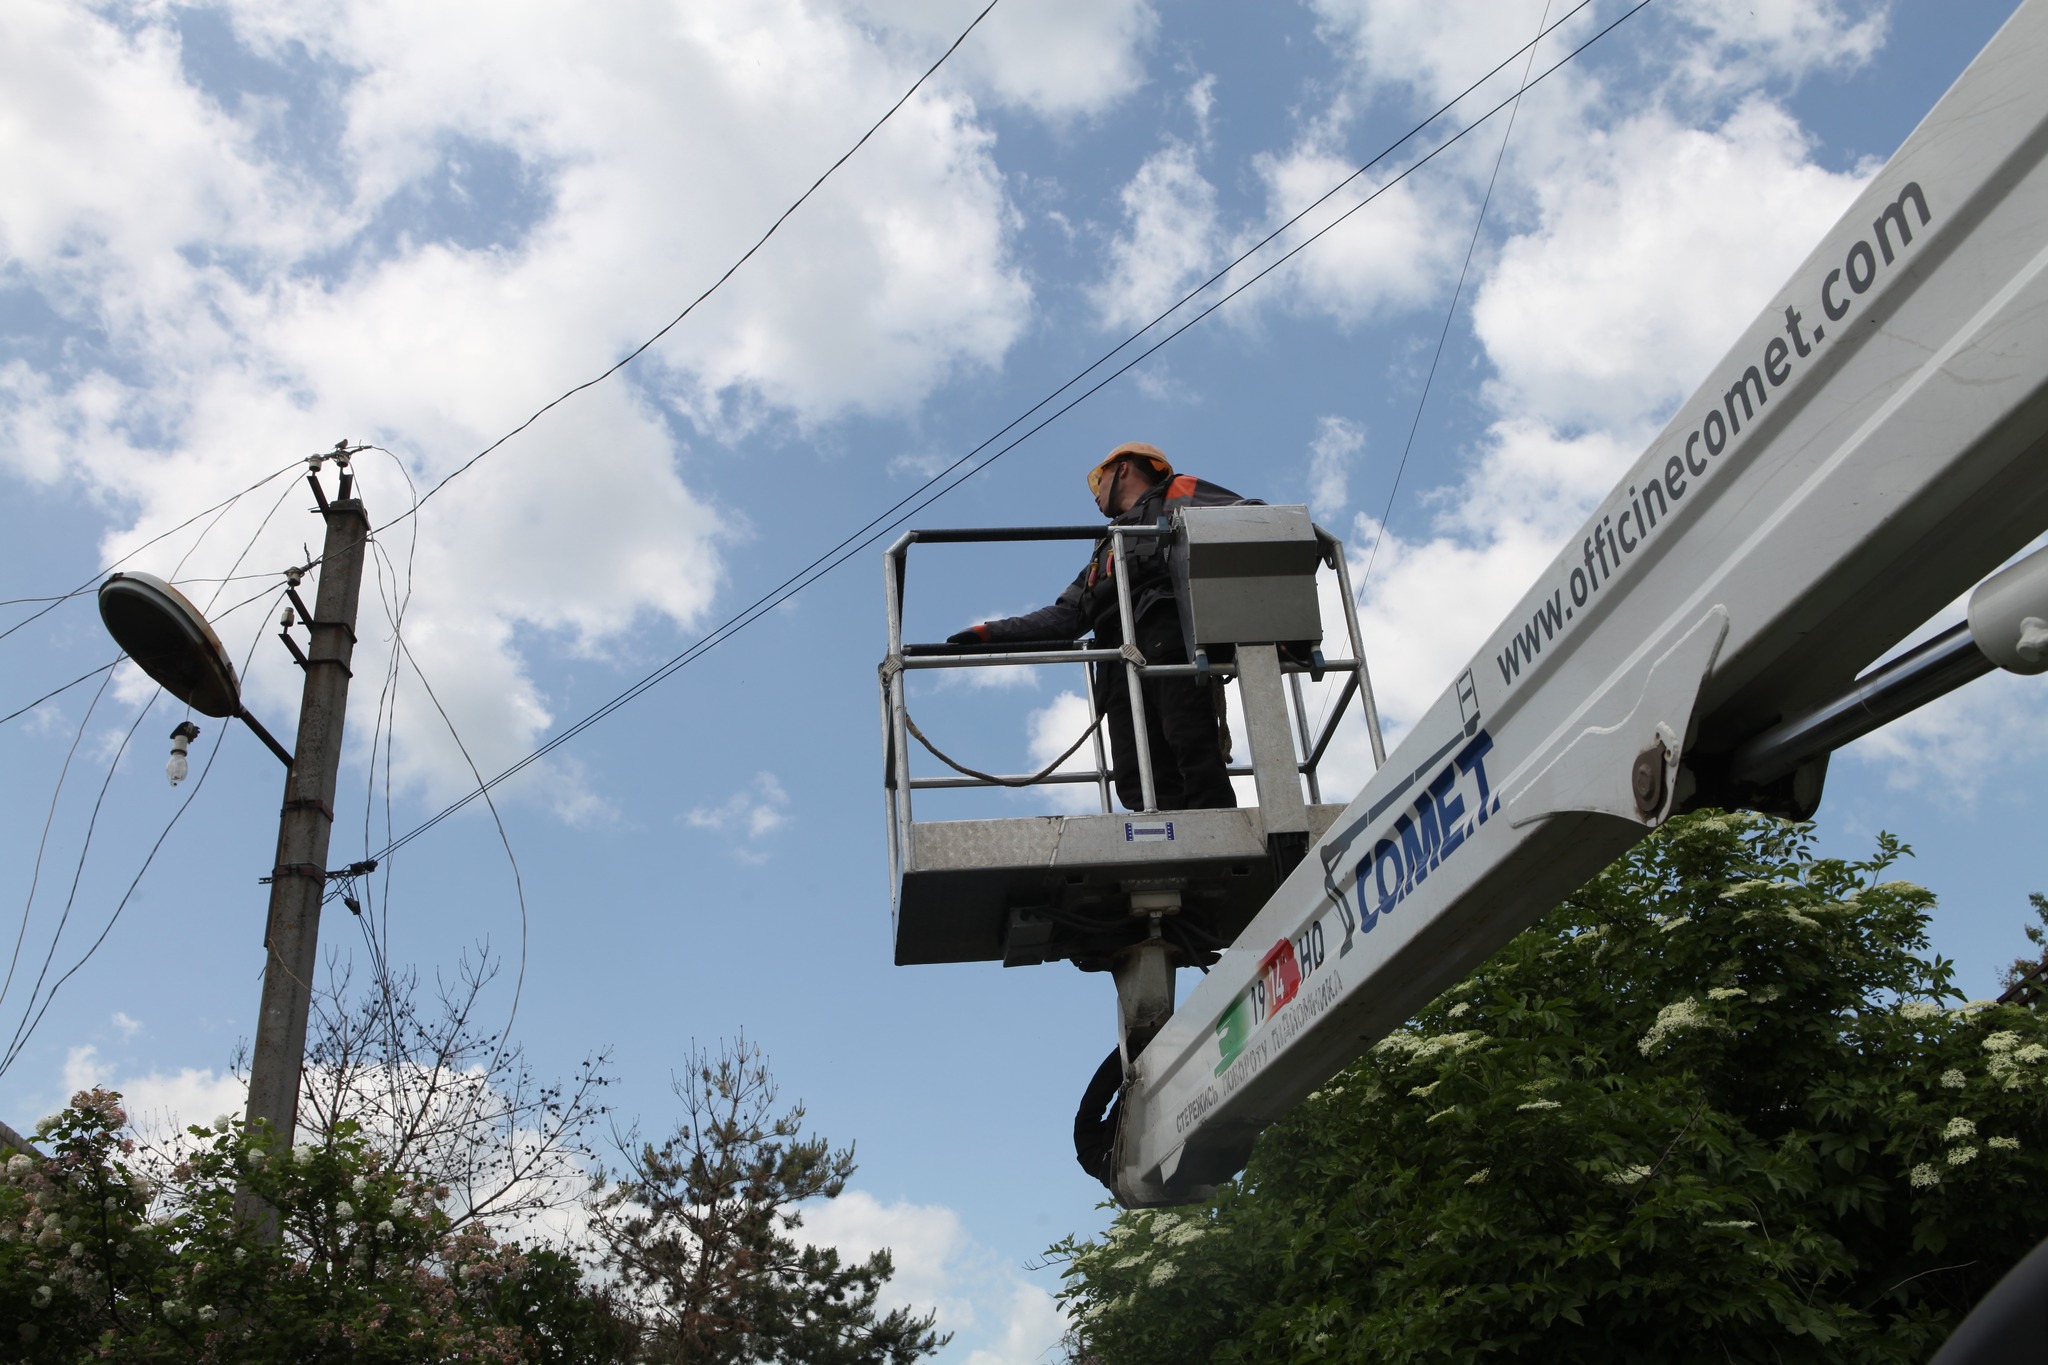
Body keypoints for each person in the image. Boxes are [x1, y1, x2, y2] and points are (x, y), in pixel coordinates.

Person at [948, 442, 1250, 811]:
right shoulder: (1106, 545)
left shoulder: (1177, 492)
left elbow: (1250, 518)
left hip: (1171, 648)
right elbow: (1068, 615)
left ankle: (1218, 844)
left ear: (1122, 468)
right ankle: (1168, 858)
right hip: (1118, 668)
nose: (1094, 495)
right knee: (1138, 782)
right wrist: (990, 633)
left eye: (1098, 480)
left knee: (1193, 752)